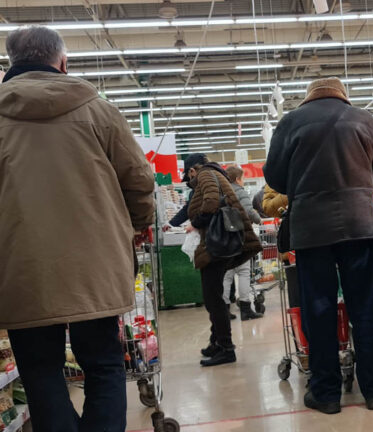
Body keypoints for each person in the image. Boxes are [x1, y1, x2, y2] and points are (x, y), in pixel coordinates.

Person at [0, 26, 156, 431]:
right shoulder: (99, 111)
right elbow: (139, 181)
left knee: (40, 372)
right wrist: (139, 225)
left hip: (19, 265)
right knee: (104, 366)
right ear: (63, 62)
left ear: (10, 62)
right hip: (95, 264)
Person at [265, 77, 373, 415]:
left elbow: (274, 178)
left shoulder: (290, 122)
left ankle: (326, 394)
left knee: (318, 310)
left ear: (309, 97)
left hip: (311, 229)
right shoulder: (363, 119)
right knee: (365, 308)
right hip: (359, 225)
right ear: (343, 95)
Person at [185, 155, 262, 367]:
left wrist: (197, 220)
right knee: (215, 295)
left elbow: (211, 201)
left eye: (188, 172)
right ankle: (216, 342)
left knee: (213, 298)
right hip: (221, 242)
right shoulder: (216, 174)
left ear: (193, 169)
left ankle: (226, 348)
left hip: (215, 243)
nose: (189, 177)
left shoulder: (206, 174)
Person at [223, 165, 262, 321]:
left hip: (226, 238)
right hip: (240, 237)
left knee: (227, 274)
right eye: (243, 178)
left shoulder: (222, 191)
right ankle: (245, 308)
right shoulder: (239, 192)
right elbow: (249, 211)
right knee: (244, 272)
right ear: (238, 179)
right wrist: (259, 219)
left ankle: (224, 309)